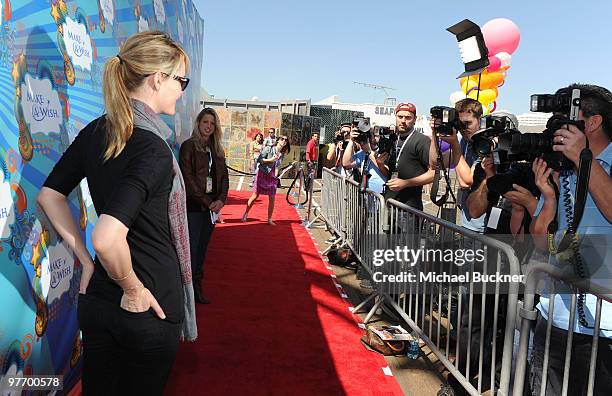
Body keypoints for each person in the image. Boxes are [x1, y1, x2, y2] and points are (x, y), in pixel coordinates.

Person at [37, 31, 196, 395]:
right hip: (146, 305)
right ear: (158, 79)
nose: (182, 90)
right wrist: (133, 288)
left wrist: (87, 261)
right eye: (180, 80)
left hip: (99, 302)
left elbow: (49, 195)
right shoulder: (154, 148)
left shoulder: (96, 132)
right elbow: (107, 238)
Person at [529, 83, 612, 395]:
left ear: (591, 122)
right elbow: (540, 243)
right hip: (554, 314)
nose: (557, 128)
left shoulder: (584, 162)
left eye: (565, 118)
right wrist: (549, 199)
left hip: (604, 324)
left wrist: (584, 159)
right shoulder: (564, 169)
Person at [179, 108, 229, 305]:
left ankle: (197, 288)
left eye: (212, 123)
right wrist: (208, 203)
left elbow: (224, 177)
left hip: (211, 210)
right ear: (198, 124)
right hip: (194, 207)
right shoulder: (188, 147)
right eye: (205, 122)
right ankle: (186, 294)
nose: (208, 126)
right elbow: (188, 180)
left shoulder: (217, 149)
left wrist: (221, 200)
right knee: (190, 251)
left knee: (201, 250)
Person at [430, 98, 485, 232]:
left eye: (468, 123)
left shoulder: (485, 144)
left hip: (483, 226)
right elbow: (434, 162)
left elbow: (466, 182)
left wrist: (454, 144)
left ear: (480, 119)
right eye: (461, 124)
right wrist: (434, 133)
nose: (464, 129)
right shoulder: (465, 142)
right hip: (467, 221)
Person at [385, 102, 434, 210]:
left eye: (408, 117)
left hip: (409, 209)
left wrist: (406, 183)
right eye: (400, 117)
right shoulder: (393, 139)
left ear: (415, 119)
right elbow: (388, 172)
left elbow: (434, 174)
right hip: (389, 204)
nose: (403, 121)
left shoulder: (422, 141)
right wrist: (378, 162)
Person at [241, 135, 291, 225]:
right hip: (262, 174)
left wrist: (276, 176)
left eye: (286, 140)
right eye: (282, 139)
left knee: (272, 198)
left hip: (272, 177)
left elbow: (277, 166)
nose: (284, 141)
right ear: (278, 140)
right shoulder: (269, 148)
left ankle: (269, 219)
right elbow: (260, 160)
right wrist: (270, 159)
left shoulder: (282, 154)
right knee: (255, 196)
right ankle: (245, 213)